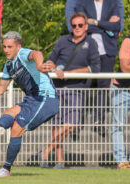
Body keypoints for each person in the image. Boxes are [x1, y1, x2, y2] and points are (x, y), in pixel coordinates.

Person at [0, 31, 59, 177]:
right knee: (8, 113)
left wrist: (39, 65)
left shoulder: (23, 54)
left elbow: (36, 53)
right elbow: (0, 88)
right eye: (4, 47)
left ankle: (6, 169)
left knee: (16, 127)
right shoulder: (9, 65)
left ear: (18, 47)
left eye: (10, 47)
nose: (6, 50)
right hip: (32, 99)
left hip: (45, 99)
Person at [40, 12, 100, 169]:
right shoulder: (62, 40)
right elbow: (51, 59)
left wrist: (69, 74)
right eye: (74, 26)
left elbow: (94, 68)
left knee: (71, 124)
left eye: (80, 25)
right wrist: (53, 67)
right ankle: (59, 162)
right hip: (57, 87)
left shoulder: (91, 43)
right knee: (57, 125)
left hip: (76, 88)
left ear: (86, 27)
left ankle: (47, 150)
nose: (77, 28)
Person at [76, 0, 121, 135]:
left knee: (103, 86)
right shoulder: (82, 3)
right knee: (83, 85)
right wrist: (107, 26)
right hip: (87, 50)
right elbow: (82, 27)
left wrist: (94, 22)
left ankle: (98, 122)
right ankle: (79, 121)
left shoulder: (113, 4)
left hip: (107, 52)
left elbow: (117, 27)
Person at [110, 22, 130, 169]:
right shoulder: (129, 41)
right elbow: (125, 67)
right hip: (121, 89)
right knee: (118, 125)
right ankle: (121, 160)